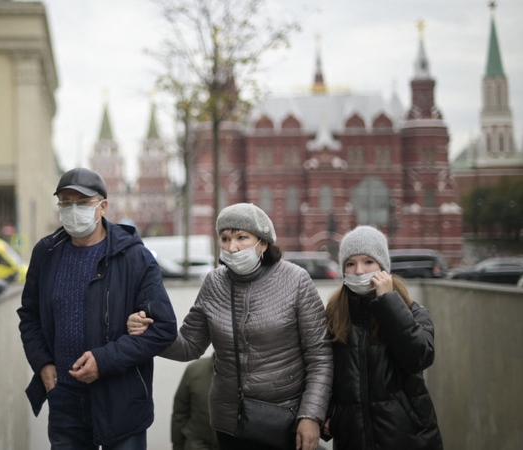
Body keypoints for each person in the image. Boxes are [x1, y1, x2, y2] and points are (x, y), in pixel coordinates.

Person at [128, 203, 332, 450]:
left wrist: (311, 416)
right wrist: (148, 332)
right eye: (225, 238)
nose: (232, 247)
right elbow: (189, 347)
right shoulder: (214, 283)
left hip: (285, 419)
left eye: (241, 238)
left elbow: (320, 357)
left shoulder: (296, 280)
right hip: (230, 422)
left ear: (263, 243)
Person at [17, 167, 178, 449]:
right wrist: (42, 362)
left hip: (121, 399)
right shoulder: (47, 253)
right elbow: (29, 315)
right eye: (65, 203)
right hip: (65, 399)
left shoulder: (134, 257)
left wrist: (104, 362)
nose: (72, 210)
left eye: (81, 202)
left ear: (102, 206)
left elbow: (163, 329)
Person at [323, 225, 443, 449]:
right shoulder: (334, 314)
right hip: (353, 439)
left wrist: (388, 303)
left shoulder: (411, 311)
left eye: (368, 262)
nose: (359, 271)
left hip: (408, 437)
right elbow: (322, 369)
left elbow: (419, 357)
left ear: (383, 266)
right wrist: (330, 414)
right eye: (351, 263)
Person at [171, 353, 219, 450]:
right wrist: (177, 446)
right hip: (196, 443)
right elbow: (180, 413)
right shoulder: (194, 370)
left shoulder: (249, 375)